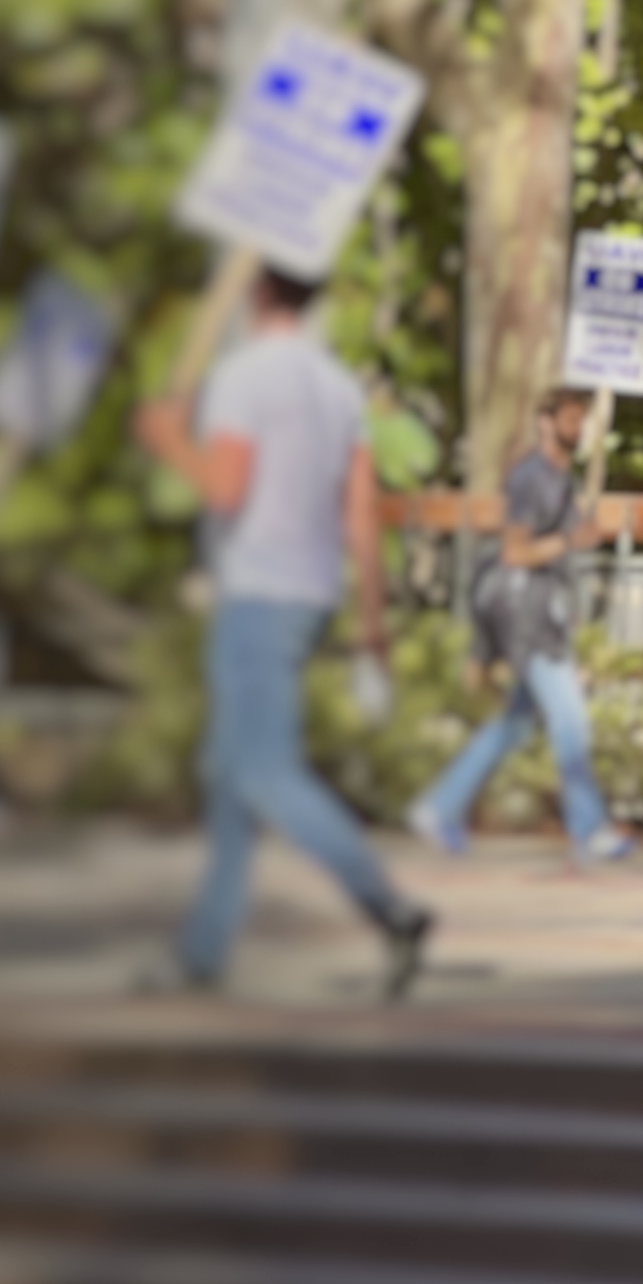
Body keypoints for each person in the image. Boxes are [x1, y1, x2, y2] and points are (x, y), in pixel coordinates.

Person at [132, 265, 431, 999]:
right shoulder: (336, 387)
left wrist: (167, 440)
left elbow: (227, 488)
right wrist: (371, 623)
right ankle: (202, 954)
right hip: (310, 593)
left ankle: (390, 908)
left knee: (263, 774)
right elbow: (361, 512)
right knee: (231, 780)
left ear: (257, 293)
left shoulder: (242, 377)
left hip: (257, 592)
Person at [409, 388, 633, 867]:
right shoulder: (531, 479)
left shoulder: (560, 478)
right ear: (545, 422)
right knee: (570, 721)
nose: (577, 428)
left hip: (545, 611)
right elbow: (516, 553)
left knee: (512, 726)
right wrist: (569, 540)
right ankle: (589, 829)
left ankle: (439, 807)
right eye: (569, 419)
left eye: (581, 420)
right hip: (527, 616)